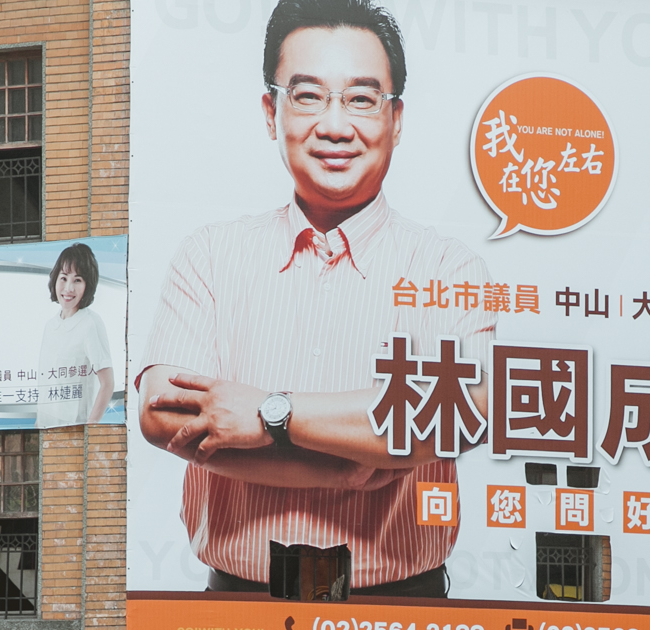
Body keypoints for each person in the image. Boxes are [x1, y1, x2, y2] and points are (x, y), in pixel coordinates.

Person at [135, 0, 493, 597]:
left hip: (403, 609)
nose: (334, 125)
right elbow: (163, 414)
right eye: (307, 95)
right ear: (271, 111)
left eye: (360, 98)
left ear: (396, 118)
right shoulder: (210, 257)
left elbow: (456, 416)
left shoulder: (450, 269)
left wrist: (269, 414)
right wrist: (354, 465)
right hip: (237, 603)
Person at [35, 242, 116, 428]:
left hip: (74, 428)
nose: (68, 288)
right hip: (46, 424)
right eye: (64, 278)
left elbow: (107, 383)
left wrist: (90, 426)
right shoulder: (50, 326)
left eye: (77, 280)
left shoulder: (90, 324)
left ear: (88, 285)